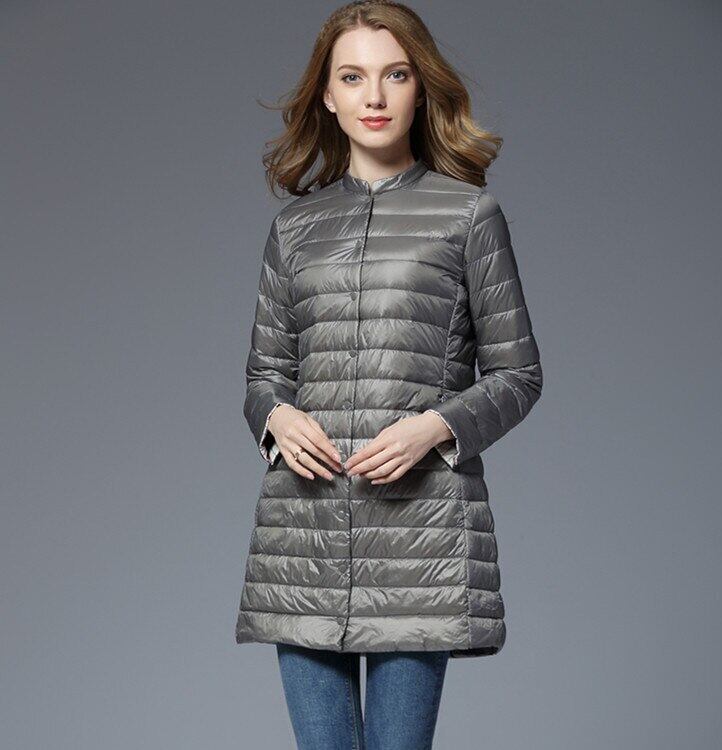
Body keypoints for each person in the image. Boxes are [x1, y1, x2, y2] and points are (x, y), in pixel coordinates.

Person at [235, 1, 543, 747]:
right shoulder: (294, 229)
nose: (374, 96)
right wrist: (274, 417)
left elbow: (517, 373)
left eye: (395, 74)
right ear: (327, 97)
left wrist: (434, 428)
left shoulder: (467, 216)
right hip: (303, 538)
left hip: (419, 539)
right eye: (353, 77)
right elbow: (264, 375)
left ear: (420, 88)